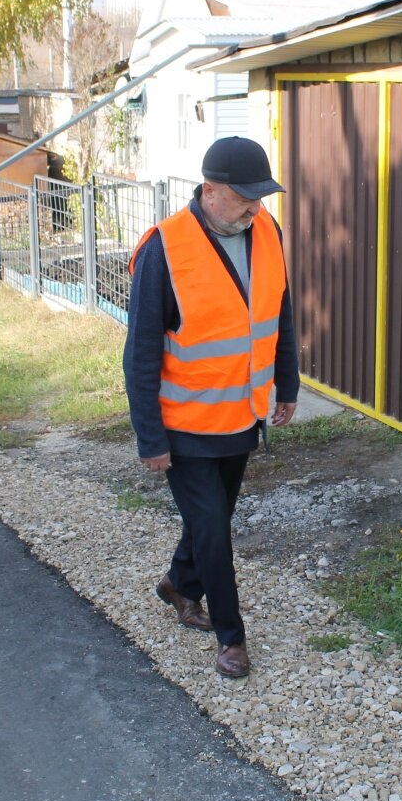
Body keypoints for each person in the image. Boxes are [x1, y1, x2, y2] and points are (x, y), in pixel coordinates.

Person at [123, 136, 299, 679]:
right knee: (215, 531)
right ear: (210, 191)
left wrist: (287, 386)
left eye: (260, 197)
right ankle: (231, 637)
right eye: (245, 198)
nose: (255, 208)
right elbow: (141, 353)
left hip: (242, 415)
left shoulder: (266, 230)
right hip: (186, 426)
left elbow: (280, 314)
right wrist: (150, 438)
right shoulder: (164, 249)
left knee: (211, 520)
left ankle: (178, 583)